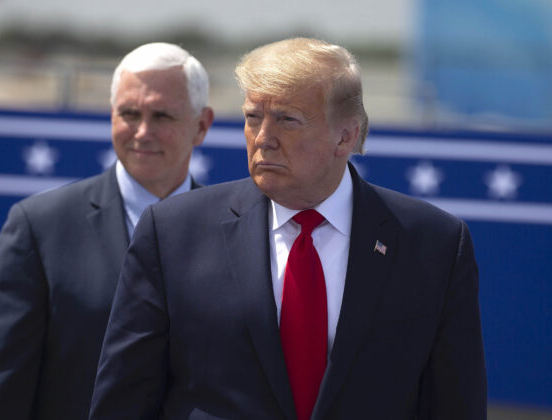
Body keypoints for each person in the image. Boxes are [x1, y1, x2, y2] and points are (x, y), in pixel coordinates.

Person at [89, 37, 487, 420]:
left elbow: (454, 404)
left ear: (346, 135)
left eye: (287, 121)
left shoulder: (432, 244)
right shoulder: (173, 233)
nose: (263, 139)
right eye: (252, 118)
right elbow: (123, 401)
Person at [0, 42, 214, 420]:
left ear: (201, 125)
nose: (143, 132)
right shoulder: (40, 228)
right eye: (129, 113)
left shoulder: (232, 230)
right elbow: (0, 385)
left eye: (162, 116)